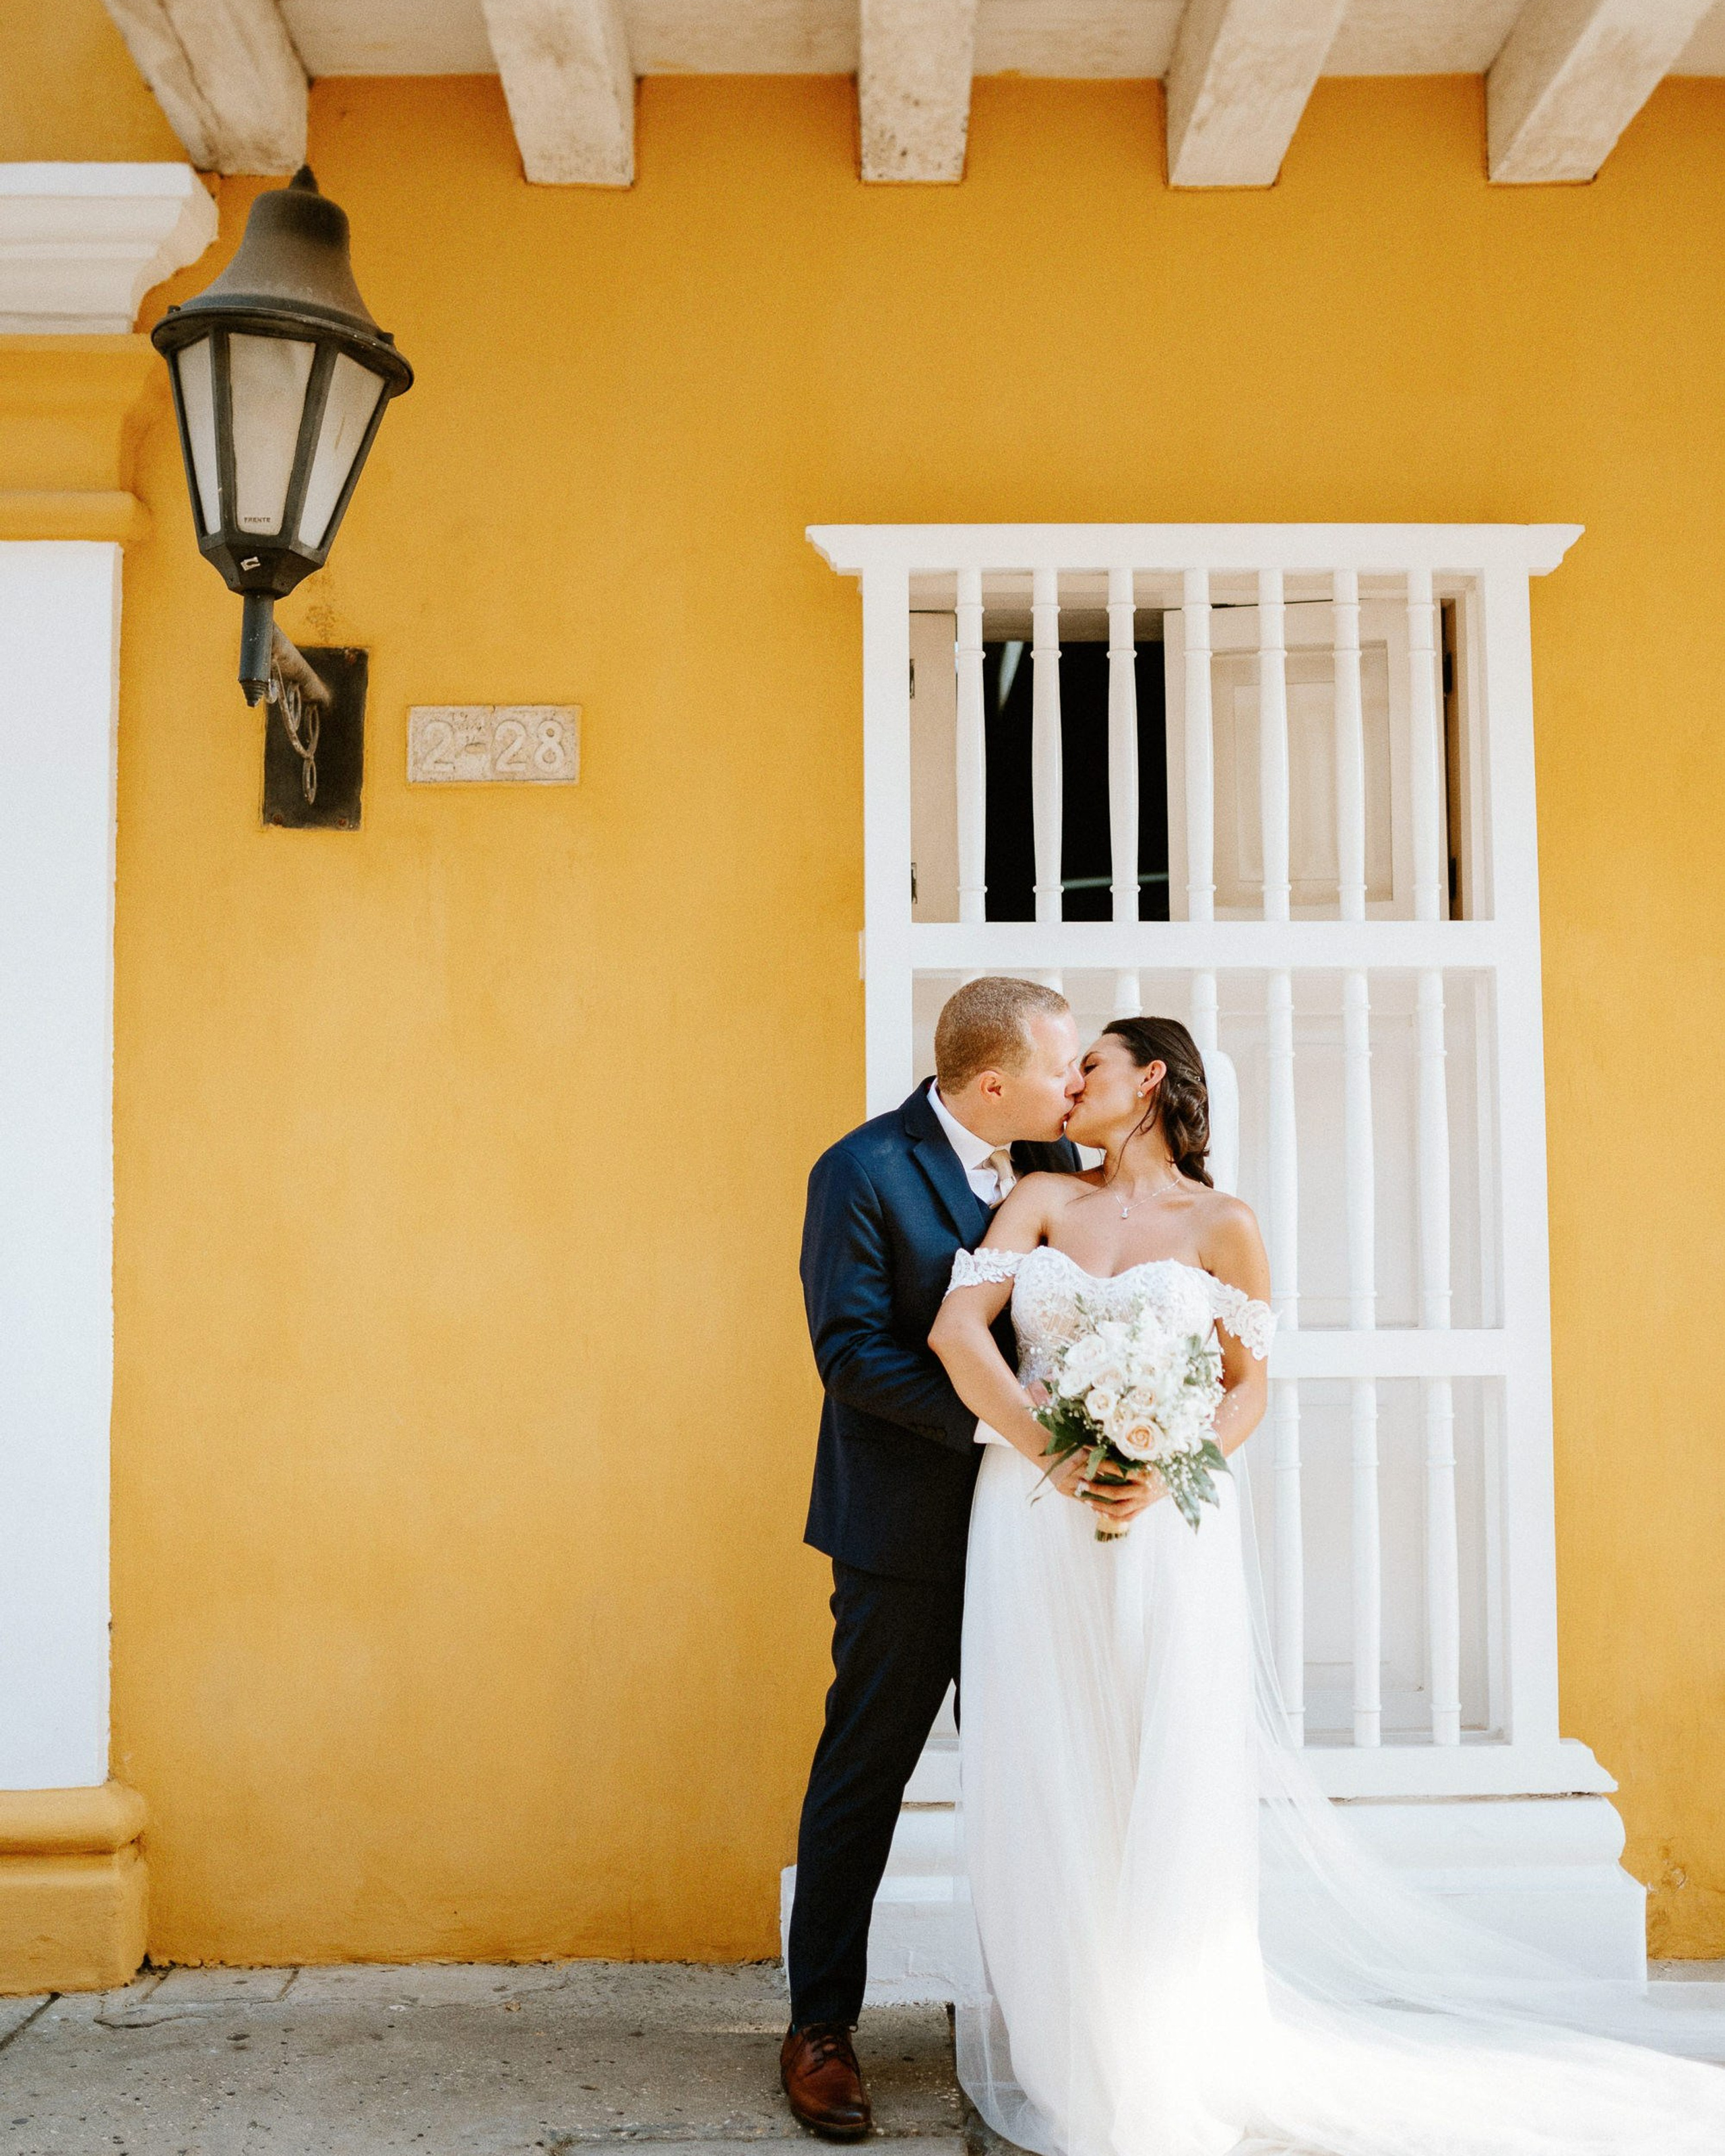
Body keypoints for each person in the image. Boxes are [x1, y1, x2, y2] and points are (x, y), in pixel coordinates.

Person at [928, 1014, 1725, 2156]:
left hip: (1163, 1524)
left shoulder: (1224, 1223)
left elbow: (1250, 1387)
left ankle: (1165, 2036)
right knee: (1049, 1755)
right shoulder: (1039, 1202)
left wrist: (1168, 1464)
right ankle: (1068, 2042)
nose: (1069, 1086)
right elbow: (962, 1332)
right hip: (1029, 1517)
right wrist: (1046, 1448)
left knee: (1163, 1767)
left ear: (1149, 1080)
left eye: (1090, 1065)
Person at [782, 977, 1125, 2141]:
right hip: (906, 1537)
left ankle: (1056, 2019)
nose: (1075, 1085)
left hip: (1042, 1537)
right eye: (1059, 1068)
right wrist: (1013, 1424)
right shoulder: (862, 1173)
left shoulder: (1063, 1172)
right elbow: (853, 1359)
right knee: (864, 1773)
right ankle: (821, 2029)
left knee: (1048, 1770)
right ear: (993, 1082)